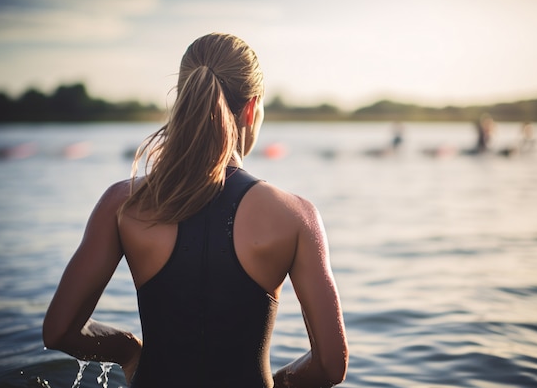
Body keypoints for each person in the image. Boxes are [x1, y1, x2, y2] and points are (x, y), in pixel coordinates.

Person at [42, 32, 348, 387]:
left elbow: (60, 331)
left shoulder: (123, 204)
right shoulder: (296, 216)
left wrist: (127, 350)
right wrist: (279, 383)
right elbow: (329, 365)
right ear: (251, 108)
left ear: (184, 99)